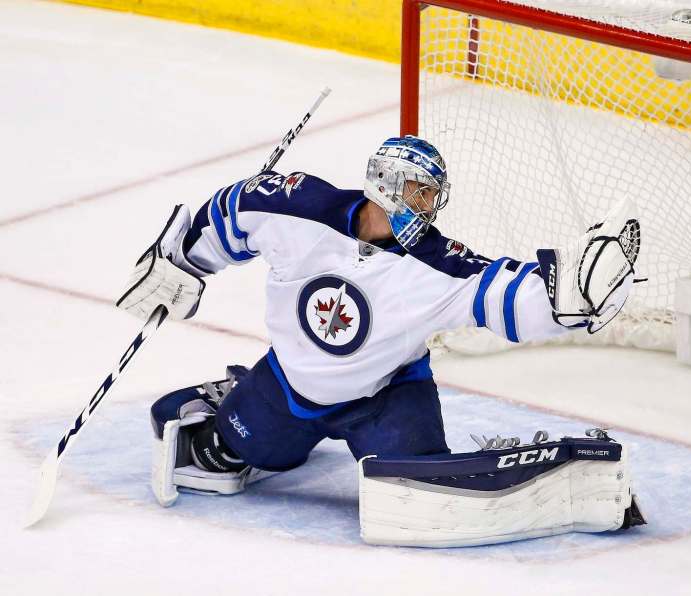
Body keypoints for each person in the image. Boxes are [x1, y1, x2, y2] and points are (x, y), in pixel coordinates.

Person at [117, 135, 643, 545]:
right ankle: (236, 394)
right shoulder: (301, 207)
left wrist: (569, 298)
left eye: (433, 195)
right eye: (421, 191)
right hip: (290, 382)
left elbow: (505, 295)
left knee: (421, 488)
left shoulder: (438, 264)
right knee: (226, 453)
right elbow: (234, 210)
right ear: (387, 184)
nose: (429, 206)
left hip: (385, 397)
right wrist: (182, 260)